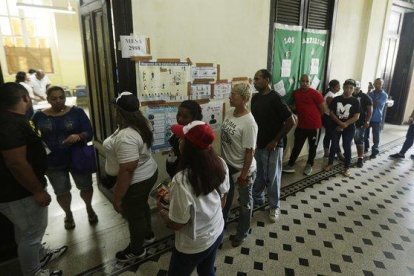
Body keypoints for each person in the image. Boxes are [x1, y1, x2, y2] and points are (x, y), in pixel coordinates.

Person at [0, 82, 66, 276]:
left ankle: (40, 255)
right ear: (25, 98)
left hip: (19, 190)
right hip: (20, 192)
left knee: (25, 231)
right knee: (31, 234)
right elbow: (16, 163)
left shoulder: (15, 119)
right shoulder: (10, 123)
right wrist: (37, 190)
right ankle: (34, 271)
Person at [158, 121, 229, 276]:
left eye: (182, 139)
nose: (179, 142)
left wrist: (162, 213)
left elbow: (177, 224)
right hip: (216, 231)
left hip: (193, 246)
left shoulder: (182, 180)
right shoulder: (220, 163)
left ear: (189, 146)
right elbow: (223, 199)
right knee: (207, 270)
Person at [103, 92, 158, 262]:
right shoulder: (141, 122)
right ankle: (148, 234)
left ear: (119, 111)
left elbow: (127, 170)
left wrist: (118, 198)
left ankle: (136, 250)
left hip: (136, 181)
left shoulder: (127, 136)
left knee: (134, 216)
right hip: (148, 173)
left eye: (115, 108)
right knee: (141, 206)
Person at [32, 86, 97, 230]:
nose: (58, 101)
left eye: (61, 97)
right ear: (48, 99)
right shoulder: (38, 117)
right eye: (54, 98)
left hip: (77, 158)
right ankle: (68, 214)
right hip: (53, 162)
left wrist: (79, 136)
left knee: (85, 186)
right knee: (61, 191)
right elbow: (32, 137)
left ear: (65, 97)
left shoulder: (77, 112)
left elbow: (89, 132)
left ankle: (89, 208)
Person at [251, 69, 296, 222]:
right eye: (254, 79)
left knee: (273, 178)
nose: (255, 82)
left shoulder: (275, 98)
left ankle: (274, 206)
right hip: (259, 144)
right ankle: (257, 198)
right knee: (260, 175)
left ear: (267, 80)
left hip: (274, 146)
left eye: (257, 79)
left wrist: (275, 140)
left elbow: (291, 121)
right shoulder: (255, 98)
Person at [221, 83, 258, 247]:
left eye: (233, 94)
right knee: (226, 198)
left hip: (243, 169)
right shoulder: (230, 112)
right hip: (227, 166)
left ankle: (242, 233)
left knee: (245, 203)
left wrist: (243, 176)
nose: (230, 96)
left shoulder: (249, 123)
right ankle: (220, 227)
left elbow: (250, 152)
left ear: (243, 99)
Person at [283, 74, 325, 176]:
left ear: (310, 83)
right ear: (300, 82)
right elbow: (295, 107)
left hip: (314, 126)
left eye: (307, 82)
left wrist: (314, 118)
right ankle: (290, 164)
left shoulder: (315, 93)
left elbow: (323, 109)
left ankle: (309, 164)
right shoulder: (296, 93)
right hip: (301, 125)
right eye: (303, 81)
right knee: (296, 146)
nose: (305, 83)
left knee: (312, 147)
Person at [325, 79, 360, 177]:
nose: (348, 90)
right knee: (334, 145)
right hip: (336, 126)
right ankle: (330, 163)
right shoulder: (336, 99)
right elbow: (331, 113)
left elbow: (356, 116)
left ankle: (347, 167)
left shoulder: (355, 101)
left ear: (354, 89)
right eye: (347, 87)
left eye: (351, 88)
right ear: (343, 87)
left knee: (346, 146)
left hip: (349, 128)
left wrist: (346, 124)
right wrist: (340, 123)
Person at [166, 100, 202, 179]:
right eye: (178, 115)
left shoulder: (195, 141)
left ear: (195, 119)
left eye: (185, 117)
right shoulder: (182, 130)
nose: (179, 119)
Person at [365, 78, 388, 159]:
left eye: (379, 83)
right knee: (365, 134)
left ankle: (374, 151)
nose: (377, 85)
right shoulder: (370, 93)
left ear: (382, 85)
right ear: (374, 84)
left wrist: (369, 102)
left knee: (375, 136)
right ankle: (365, 147)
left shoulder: (384, 95)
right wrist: (368, 90)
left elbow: (376, 104)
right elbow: (365, 101)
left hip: (376, 118)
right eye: (376, 83)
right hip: (368, 117)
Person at [353, 81, 373, 167]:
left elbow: (370, 110)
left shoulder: (365, 97)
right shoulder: (348, 95)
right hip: (349, 123)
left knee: (359, 140)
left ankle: (360, 158)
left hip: (360, 123)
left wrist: (367, 121)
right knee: (347, 140)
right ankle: (346, 155)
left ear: (359, 88)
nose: (354, 89)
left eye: (356, 88)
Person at [322, 79, 343, 159]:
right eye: (337, 86)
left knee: (329, 135)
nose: (339, 88)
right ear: (332, 87)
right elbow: (334, 109)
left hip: (330, 118)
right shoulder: (330, 96)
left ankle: (327, 153)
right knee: (333, 136)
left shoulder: (333, 95)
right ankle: (338, 153)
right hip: (329, 119)